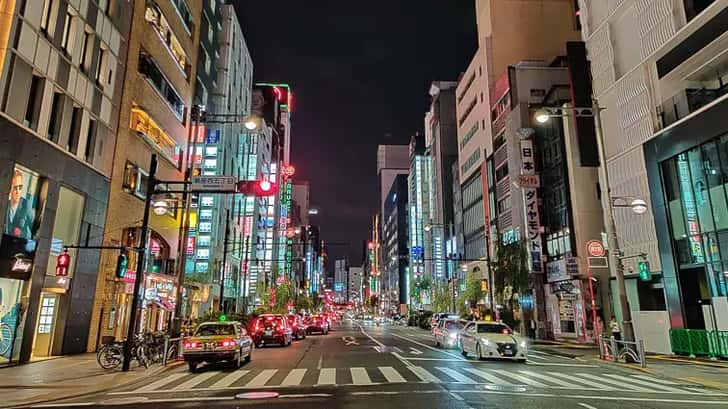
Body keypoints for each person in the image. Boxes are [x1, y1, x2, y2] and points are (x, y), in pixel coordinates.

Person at [4, 170, 34, 239]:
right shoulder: (5, 205)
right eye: (15, 188)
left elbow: (34, 229)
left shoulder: (26, 205)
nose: (18, 192)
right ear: (10, 189)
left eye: (20, 187)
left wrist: (22, 234)